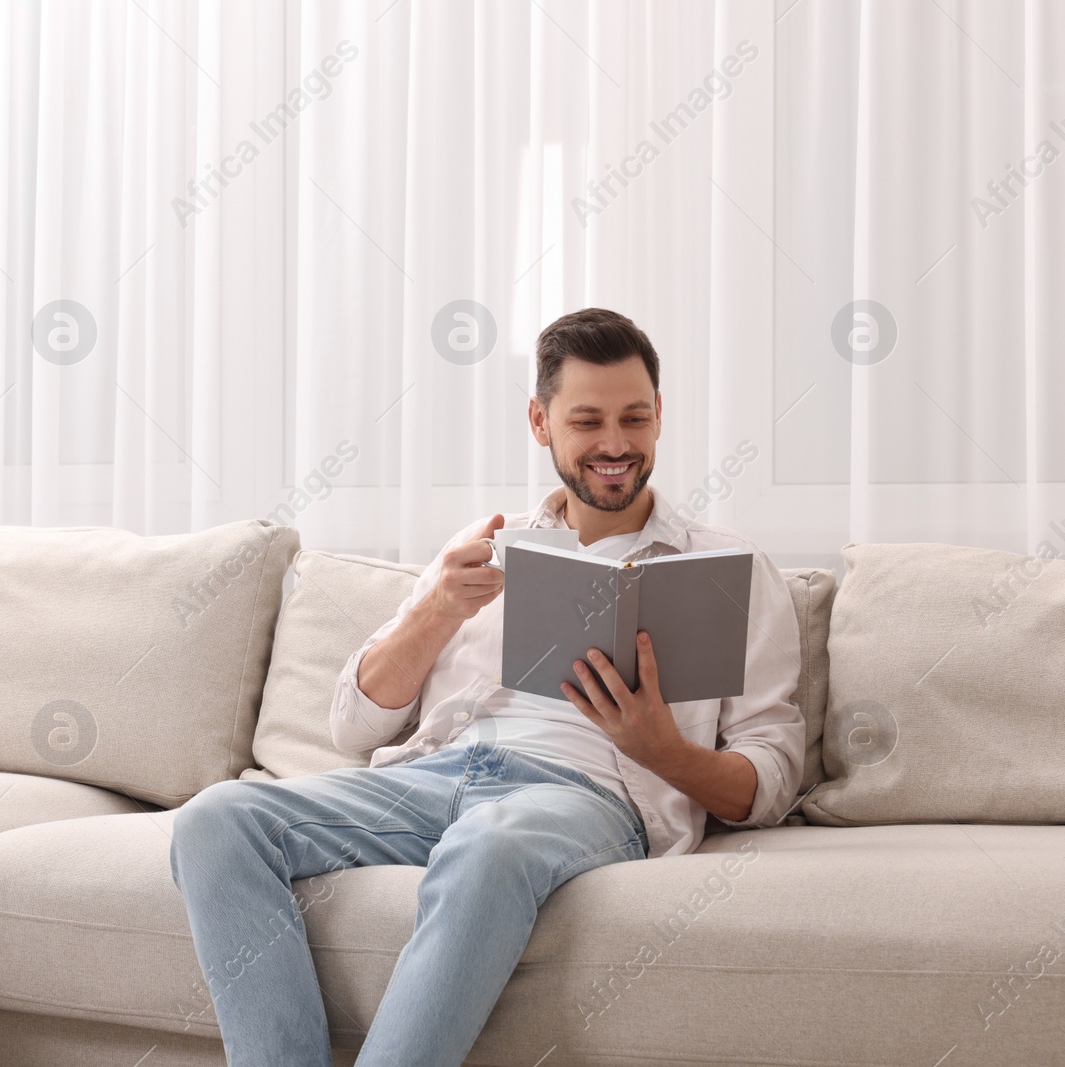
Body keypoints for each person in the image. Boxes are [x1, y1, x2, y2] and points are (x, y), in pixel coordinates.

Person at [170, 307, 804, 1067]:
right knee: (217, 820)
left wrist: (663, 749)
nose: (615, 444)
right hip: (436, 773)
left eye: (635, 418)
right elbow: (353, 725)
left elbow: (768, 782)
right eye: (587, 420)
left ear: (661, 416)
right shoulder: (485, 547)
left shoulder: (730, 571)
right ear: (540, 422)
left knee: (489, 842)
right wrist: (436, 607)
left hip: (586, 797)